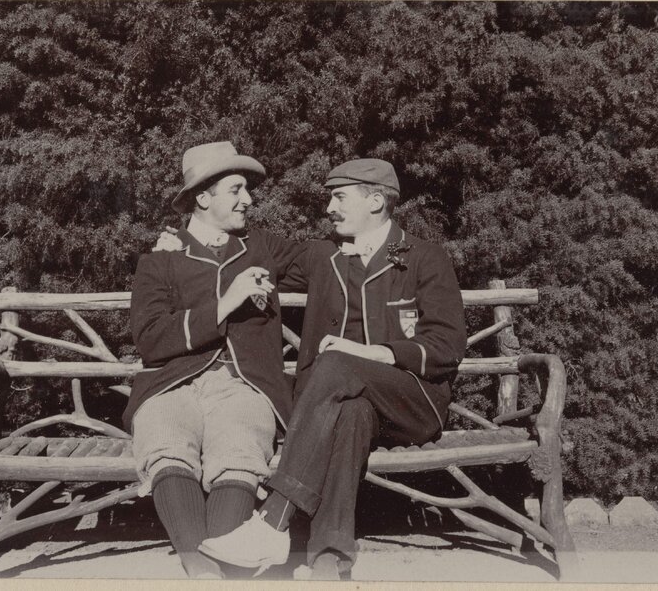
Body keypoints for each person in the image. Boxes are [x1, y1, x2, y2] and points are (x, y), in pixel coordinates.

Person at [195, 158, 467, 580]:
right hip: (343, 405)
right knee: (349, 414)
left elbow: (447, 345)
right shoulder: (323, 256)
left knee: (338, 361)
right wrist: (183, 240)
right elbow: (249, 247)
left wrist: (375, 353)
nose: (329, 208)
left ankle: (272, 521)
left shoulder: (424, 258)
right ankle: (328, 563)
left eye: (339, 197)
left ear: (376, 201)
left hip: (413, 401)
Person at [125, 141, 300, 579]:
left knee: (240, 447)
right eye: (237, 189)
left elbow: (330, 263)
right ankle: (205, 573)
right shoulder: (160, 260)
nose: (249, 199)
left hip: (245, 384)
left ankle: (212, 569)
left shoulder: (262, 246)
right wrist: (226, 302)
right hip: (171, 383)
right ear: (203, 197)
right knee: (164, 440)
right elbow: (150, 339)